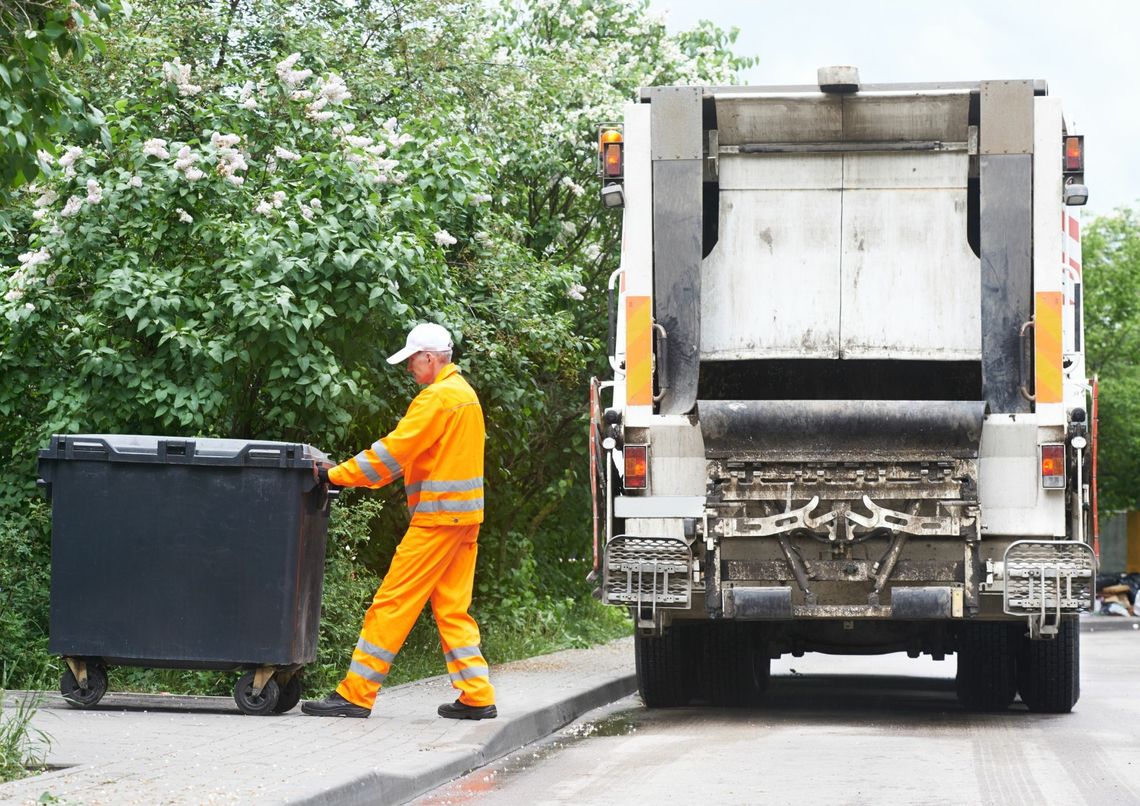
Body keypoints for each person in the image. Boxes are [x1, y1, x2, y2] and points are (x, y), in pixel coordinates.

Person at [302, 322, 496, 720]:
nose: (409, 368)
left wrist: (336, 474)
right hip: (465, 519)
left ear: (428, 357)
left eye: (411, 360)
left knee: (392, 602)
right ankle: (476, 695)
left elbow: (393, 453)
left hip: (438, 519)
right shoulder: (466, 396)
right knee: (452, 608)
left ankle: (356, 693)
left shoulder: (437, 398)